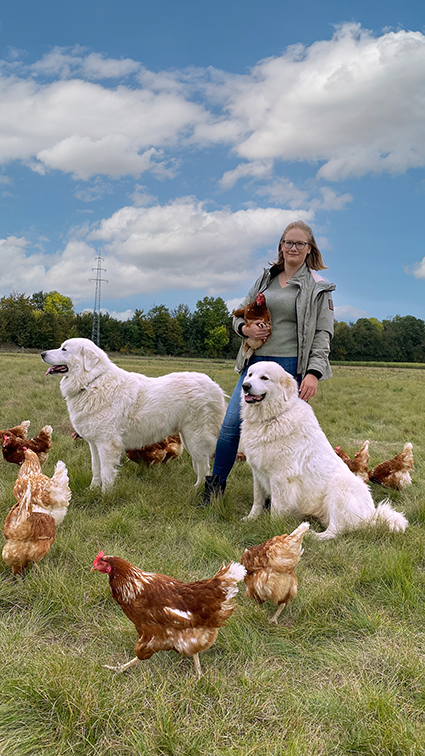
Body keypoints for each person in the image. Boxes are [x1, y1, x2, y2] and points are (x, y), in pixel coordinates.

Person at [200, 219, 336, 505]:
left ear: (310, 248)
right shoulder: (266, 279)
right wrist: (245, 330)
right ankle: (215, 490)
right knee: (231, 426)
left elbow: (323, 334)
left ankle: (285, 496)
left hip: (290, 370)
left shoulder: (319, 288)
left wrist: (313, 373)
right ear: (281, 246)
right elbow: (239, 314)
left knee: (286, 436)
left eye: (300, 243)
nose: (293, 248)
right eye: (288, 242)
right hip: (256, 364)